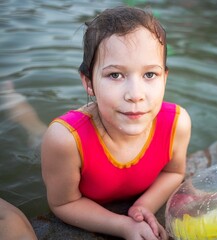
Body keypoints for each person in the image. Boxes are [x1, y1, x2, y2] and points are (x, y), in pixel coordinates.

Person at [41, 5, 191, 240]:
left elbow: (174, 171)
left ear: (165, 77)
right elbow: (64, 203)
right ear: (88, 82)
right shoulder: (66, 140)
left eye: (150, 75)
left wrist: (143, 208)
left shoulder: (177, 124)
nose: (135, 94)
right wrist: (123, 225)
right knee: (35, 132)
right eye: (115, 75)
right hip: (66, 145)